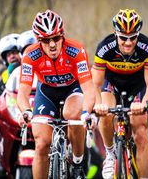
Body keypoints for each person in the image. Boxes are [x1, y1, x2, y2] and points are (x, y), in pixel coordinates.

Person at [17, 10, 95, 179]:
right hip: (47, 92)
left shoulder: (76, 51)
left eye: (56, 38)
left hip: (72, 89)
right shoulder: (30, 55)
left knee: (72, 114)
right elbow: (22, 92)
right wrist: (26, 111)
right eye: (46, 40)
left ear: (63, 36)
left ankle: (77, 161)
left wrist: (87, 113)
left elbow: (89, 88)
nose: (52, 44)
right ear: (38, 40)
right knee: (42, 145)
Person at [92, 9, 148, 178]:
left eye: (133, 37)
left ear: (138, 35)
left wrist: (144, 105)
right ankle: (110, 154)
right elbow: (95, 83)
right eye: (123, 38)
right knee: (105, 113)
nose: (128, 43)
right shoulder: (104, 47)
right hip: (111, 84)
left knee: (141, 133)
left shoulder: (147, 47)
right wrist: (98, 104)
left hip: (137, 87)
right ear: (115, 34)